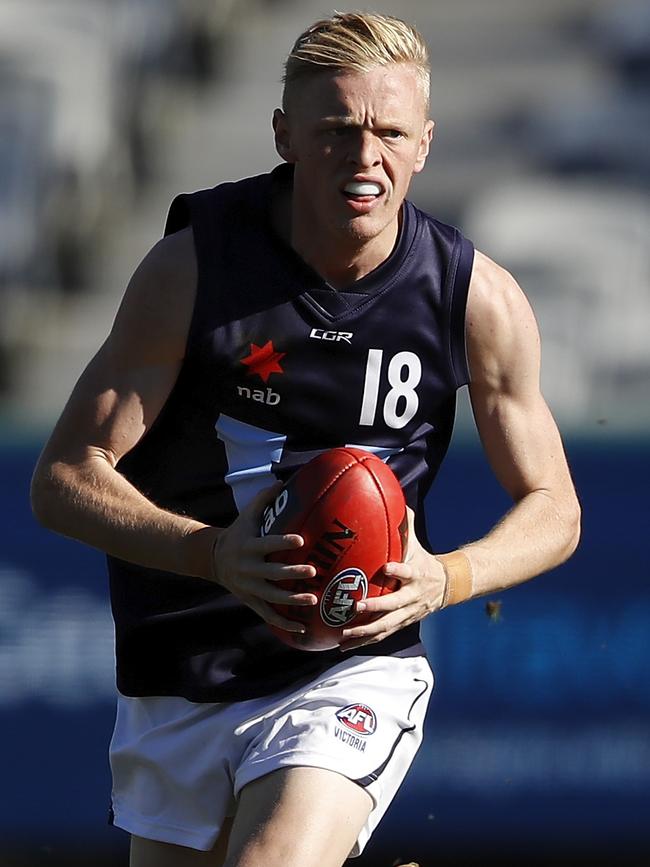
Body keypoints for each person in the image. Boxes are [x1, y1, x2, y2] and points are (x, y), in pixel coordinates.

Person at [30, 11, 581, 867]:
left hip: (350, 664)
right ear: (284, 134)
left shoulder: (475, 297)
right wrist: (214, 554)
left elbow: (556, 507)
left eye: (390, 131)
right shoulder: (193, 269)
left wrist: (448, 575)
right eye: (337, 130)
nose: (366, 156)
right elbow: (64, 476)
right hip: (182, 664)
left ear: (425, 143)